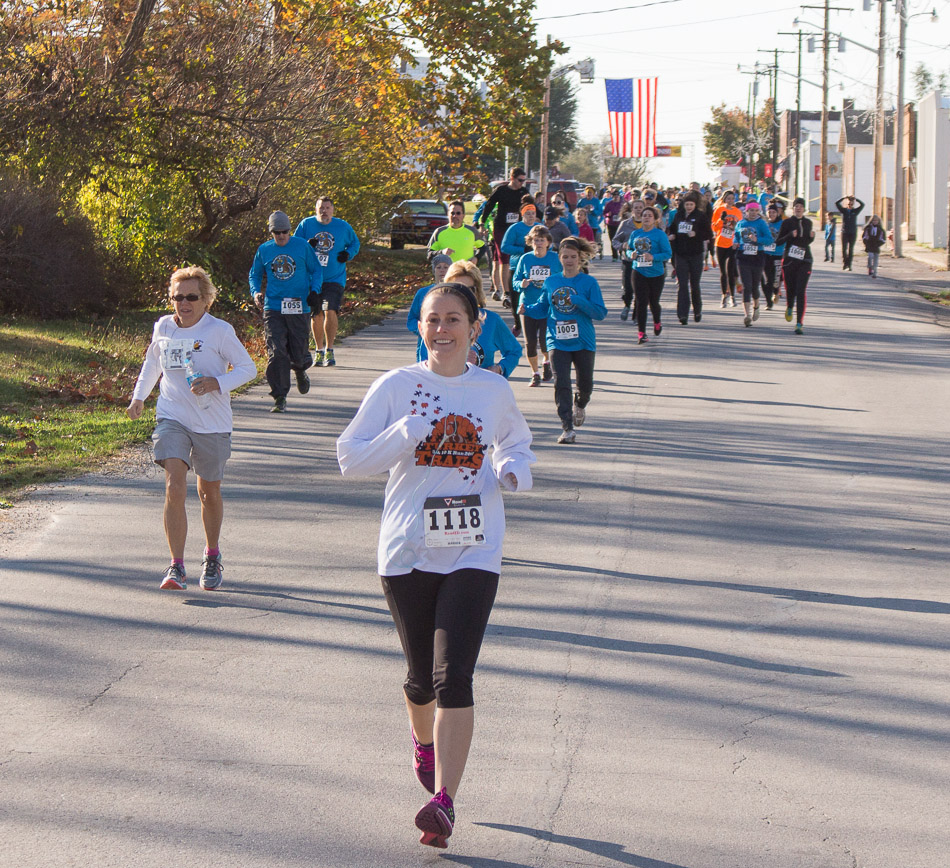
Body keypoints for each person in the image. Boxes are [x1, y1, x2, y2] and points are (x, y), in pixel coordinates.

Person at [337, 282, 535, 851]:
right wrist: (405, 433)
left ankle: (444, 801)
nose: (442, 329)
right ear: (419, 327)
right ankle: (423, 743)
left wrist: (512, 470)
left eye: (453, 319)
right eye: (432, 320)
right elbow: (349, 459)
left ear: (475, 327)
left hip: (475, 548)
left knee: (454, 676)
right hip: (408, 549)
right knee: (421, 680)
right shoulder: (397, 387)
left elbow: (516, 443)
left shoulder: (492, 389)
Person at [127, 266, 256, 591]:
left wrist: (217, 382)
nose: (184, 303)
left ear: (206, 299)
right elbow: (152, 363)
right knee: (174, 484)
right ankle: (176, 566)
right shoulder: (164, 327)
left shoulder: (219, 331)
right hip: (172, 416)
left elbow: (248, 368)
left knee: (208, 492)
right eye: (178, 297)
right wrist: (139, 397)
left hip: (211, 421)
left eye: (191, 297)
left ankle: (211, 555)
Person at [523, 237, 606, 443]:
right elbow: (543, 307)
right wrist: (527, 309)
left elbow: (600, 313)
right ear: (559, 258)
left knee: (585, 384)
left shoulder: (588, 282)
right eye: (565, 257)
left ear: (580, 258)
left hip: (583, 340)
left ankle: (580, 403)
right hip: (557, 340)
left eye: (573, 257)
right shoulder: (551, 281)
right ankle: (567, 428)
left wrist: (578, 301)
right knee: (561, 383)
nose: (569, 261)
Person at [250, 210, 321, 411]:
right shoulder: (264, 250)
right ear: (271, 232)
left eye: (284, 232)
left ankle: (300, 368)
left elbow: (316, 270)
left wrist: (314, 291)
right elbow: (254, 274)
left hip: (299, 305)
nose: (281, 236)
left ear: (289, 230)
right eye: (277, 232)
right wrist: (256, 292)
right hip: (273, 306)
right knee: (277, 350)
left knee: (298, 350)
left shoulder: (302, 246)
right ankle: (279, 396)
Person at [293, 197, 360, 366]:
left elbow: (355, 243)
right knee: (316, 314)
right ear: (316, 209)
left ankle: (330, 350)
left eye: (327, 208)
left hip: (334, 277)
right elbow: (294, 245)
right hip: (312, 278)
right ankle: (319, 350)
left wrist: (348, 254)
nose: (324, 211)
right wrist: (307, 244)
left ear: (333, 210)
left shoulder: (342, 226)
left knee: (330, 310)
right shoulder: (306, 224)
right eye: (321, 208)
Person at [513, 225, 561, 385]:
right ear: (530, 242)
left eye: (542, 240)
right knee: (530, 343)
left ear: (548, 243)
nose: (539, 243)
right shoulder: (525, 259)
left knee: (545, 341)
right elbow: (515, 281)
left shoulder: (555, 258)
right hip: (527, 305)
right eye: (536, 240)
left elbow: (563, 278)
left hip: (548, 306)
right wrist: (521, 284)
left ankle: (546, 361)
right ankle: (535, 373)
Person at [477, 167, 529, 308]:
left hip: (516, 229)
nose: (522, 183)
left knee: (517, 258)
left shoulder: (523, 192)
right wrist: (482, 223)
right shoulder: (501, 190)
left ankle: (514, 288)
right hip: (501, 228)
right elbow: (489, 205)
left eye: (524, 180)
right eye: (520, 180)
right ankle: (506, 293)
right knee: (504, 259)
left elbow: (531, 206)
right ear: (512, 178)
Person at [627, 206, 672, 343]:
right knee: (641, 302)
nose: (646, 218)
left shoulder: (660, 235)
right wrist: (631, 254)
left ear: (655, 219)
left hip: (656, 273)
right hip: (639, 271)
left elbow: (668, 253)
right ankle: (641, 333)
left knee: (653, 302)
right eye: (644, 215)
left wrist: (653, 257)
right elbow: (629, 249)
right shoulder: (635, 234)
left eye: (649, 216)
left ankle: (657, 321)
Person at [667, 191, 713, 324]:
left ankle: (697, 310)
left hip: (696, 254)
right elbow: (672, 229)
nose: (688, 207)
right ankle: (682, 314)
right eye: (686, 204)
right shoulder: (678, 215)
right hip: (680, 254)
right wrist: (671, 236)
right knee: (682, 284)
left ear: (695, 205)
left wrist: (696, 234)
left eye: (691, 205)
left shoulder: (700, 216)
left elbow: (708, 234)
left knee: (694, 284)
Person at [775, 197, 815, 335]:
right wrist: (790, 235)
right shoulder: (787, 222)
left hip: (805, 260)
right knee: (791, 290)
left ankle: (799, 323)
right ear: (793, 209)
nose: (798, 208)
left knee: (801, 291)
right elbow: (778, 241)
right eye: (796, 206)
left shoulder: (808, 222)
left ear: (804, 209)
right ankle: (790, 306)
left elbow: (806, 242)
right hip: (790, 261)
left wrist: (811, 237)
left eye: (801, 206)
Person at [500, 203, 540, 338]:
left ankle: (536, 323)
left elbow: (549, 244)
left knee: (537, 295)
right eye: (528, 213)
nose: (531, 216)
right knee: (515, 299)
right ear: (522, 215)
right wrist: (522, 250)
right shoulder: (515, 228)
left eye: (533, 213)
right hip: (517, 267)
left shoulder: (539, 228)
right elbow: (504, 247)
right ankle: (518, 323)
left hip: (535, 268)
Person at [734, 201, 773, 327]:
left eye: (756, 211)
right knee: (747, 286)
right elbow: (736, 236)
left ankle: (756, 306)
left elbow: (769, 240)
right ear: (746, 211)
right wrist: (735, 243)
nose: (753, 213)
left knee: (755, 287)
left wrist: (757, 240)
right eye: (751, 210)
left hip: (757, 257)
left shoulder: (761, 223)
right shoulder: (741, 223)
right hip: (743, 257)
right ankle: (747, 315)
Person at [407, 255, 453, 360]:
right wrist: (423, 330)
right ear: (434, 270)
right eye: (438, 267)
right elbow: (412, 319)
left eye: (446, 267)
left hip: (450, 345)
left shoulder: (457, 293)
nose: (442, 270)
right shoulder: (422, 293)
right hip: (426, 349)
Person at [711, 190, 742, 307]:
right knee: (723, 272)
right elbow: (714, 228)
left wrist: (738, 241)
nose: (730, 200)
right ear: (724, 199)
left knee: (730, 271)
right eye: (728, 198)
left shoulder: (737, 212)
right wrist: (721, 220)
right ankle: (724, 296)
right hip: (720, 243)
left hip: (732, 244)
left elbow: (740, 228)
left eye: (732, 198)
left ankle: (732, 297)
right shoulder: (719, 210)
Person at [761, 203, 786, 310]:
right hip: (765, 254)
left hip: (778, 254)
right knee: (767, 279)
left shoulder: (782, 224)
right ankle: (768, 302)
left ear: (778, 213)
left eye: (774, 212)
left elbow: (786, 238)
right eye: (769, 212)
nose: (771, 214)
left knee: (776, 279)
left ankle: (776, 291)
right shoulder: (764, 224)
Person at [835, 194, 865, 272]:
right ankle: (845, 264)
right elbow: (836, 203)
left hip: (853, 232)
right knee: (844, 249)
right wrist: (844, 198)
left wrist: (856, 199)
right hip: (844, 232)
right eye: (848, 204)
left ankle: (849, 265)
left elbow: (862, 205)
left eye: (851, 204)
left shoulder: (855, 211)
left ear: (853, 204)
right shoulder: (844, 211)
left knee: (851, 249)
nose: (850, 205)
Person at [576, 186, 604, 257]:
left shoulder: (596, 201)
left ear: (593, 194)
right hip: (582, 222)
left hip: (593, 223)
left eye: (590, 193)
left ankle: (592, 252)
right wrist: (583, 210)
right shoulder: (582, 201)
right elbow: (577, 210)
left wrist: (593, 210)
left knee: (592, 239)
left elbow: (599, 212)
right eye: (588, 192)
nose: (589, 194)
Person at [602, 188, 625, 260]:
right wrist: (608, 214)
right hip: (611, 224)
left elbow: (627, 212)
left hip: (620, 224)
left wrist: (623, 216)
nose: (616, 197)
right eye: (614, 195)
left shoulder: (623, 204)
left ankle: (621, 253)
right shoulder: (609, 204)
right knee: (612, 240)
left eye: (617, 195)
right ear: (612, 196)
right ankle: (614, 256)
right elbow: (604, 213)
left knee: (621, 239)